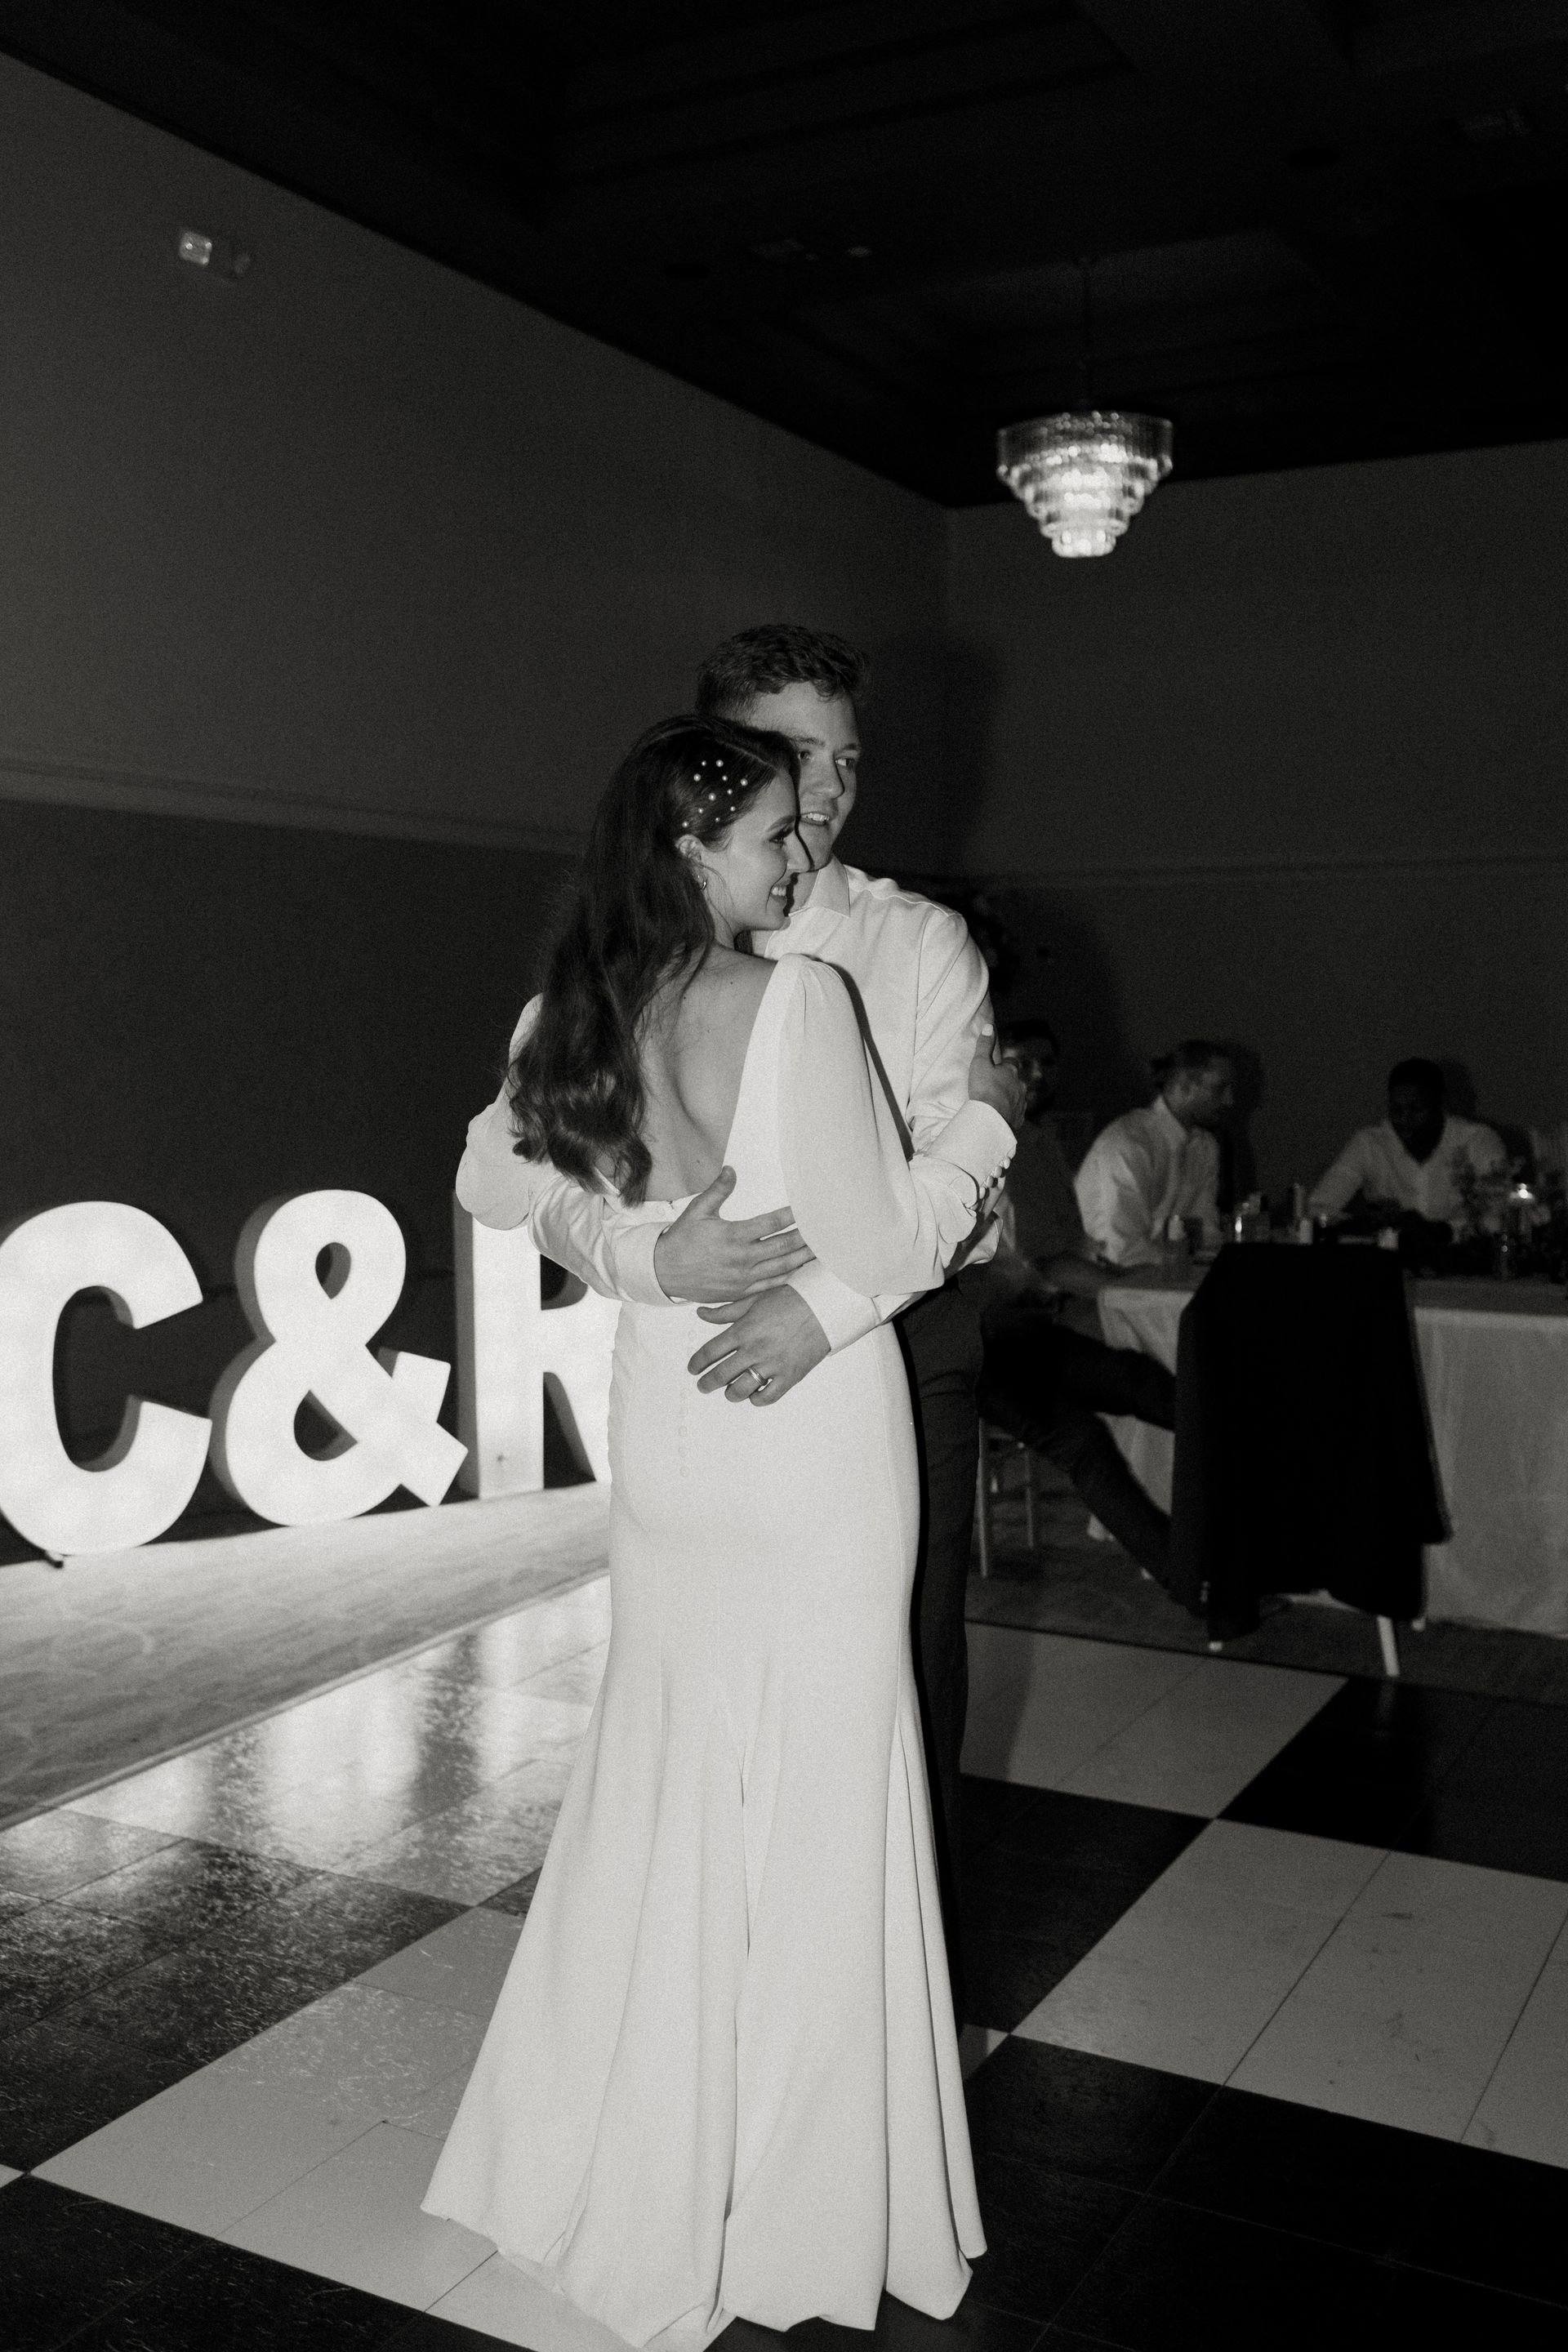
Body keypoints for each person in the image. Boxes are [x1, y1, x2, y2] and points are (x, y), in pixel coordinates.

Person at [423, 715, 1017, 2342]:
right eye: (775, 832)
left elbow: (487, 1178)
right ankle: (801, 2206)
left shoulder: (576, 1009)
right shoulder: (799, 998)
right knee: (826, 1796)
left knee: (670, 1782)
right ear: (695, 853)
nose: (803, 853)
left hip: (678, 1432)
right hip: (809, 1445)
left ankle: (625, 2157)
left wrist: (633, 1264)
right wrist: (987, 1129)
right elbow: (886, 1229)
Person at [960, 1022, 1176, 1585]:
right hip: (979, 1345)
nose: (1036, 1075)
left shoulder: (1038, 1142)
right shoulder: (964, 1140)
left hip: (1034, 1328)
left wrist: (1121, 1281)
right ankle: (1194, 1579)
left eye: (1046, 1063)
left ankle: (1246, 1536)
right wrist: (1122, 1288)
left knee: (1156, 1385)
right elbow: (1037, 1266)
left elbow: (1063, 1251)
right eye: (1021, 1062)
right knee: (1085, 1439)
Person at [1308, 1058, 1506, 1249]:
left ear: (1440, 1103)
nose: (1405, 1119)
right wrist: (1369, 1224)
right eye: (1397, 1110)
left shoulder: (1477, 1141)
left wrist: (1442, 1231)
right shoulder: (1370, 1144)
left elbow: (1502, 1215)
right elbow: (1318, 1208)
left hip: (1463, 1260)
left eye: (1416, 1109)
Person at [1075, 1040, 1234, 1266]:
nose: (1230, 1101)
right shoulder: (1129, 1142)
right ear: (1184, 1086)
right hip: (1105, 1283)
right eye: (1219, 1089)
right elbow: (1123, 1249)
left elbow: (1205, 1233)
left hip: (1158, 1277)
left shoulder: (1204, 1146)